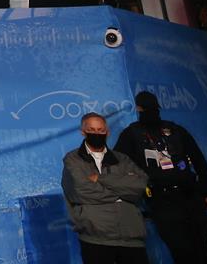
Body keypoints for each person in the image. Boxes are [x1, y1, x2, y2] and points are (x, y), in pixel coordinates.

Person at [114, 91, 207, 263]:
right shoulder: (131, 134)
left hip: (191, 196)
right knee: (182, 250)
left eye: (153, 108)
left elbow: (199, 161)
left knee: (201, 247)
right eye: (147, 108)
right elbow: (118, 164)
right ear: (139, 109)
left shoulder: (176, 130)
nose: (150, 112)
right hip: (162, 201)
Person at [61, 112, 149, 263]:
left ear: (107, 133)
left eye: (101, 130)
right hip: (95, 238)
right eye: (92, 130)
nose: (97, 134)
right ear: (83, 132)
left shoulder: (122, 159)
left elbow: (140, 185)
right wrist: (121, 193)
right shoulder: (73, 159)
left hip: (132, 236)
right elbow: (81, 190)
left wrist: (101, 179)